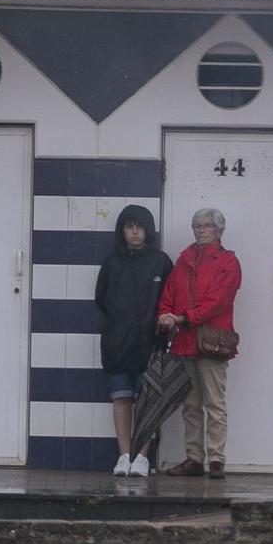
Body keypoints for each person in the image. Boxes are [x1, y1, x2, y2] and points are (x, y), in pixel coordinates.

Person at [156, 208, 241, 479]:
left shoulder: (228, 262)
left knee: (214, 402)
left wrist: (182, 318)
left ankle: (216, 459)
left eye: (206, 225)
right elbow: (168, 293)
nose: (201, 230)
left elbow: (218, 302)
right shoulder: (183, 260)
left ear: (219, 230)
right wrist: (164, 315)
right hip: (184, 341)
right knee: (190, 404)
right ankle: (194, 458)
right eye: (197, 225)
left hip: (211, 341)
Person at [94, 204, 173, 477]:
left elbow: (170, 300)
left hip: (151, 345)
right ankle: (124, 455)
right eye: (129, 226)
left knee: (148, 403)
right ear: (122, 231)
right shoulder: (111, 262)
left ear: (148, 230)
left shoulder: (161, 262)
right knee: (121, 400)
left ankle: (142, 457)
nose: (135, 231)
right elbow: (101, 300)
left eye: (139, 226)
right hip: (117, 344)